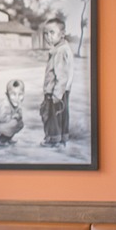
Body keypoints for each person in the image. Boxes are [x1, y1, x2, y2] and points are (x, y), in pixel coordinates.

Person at [40, 18, 74, 147]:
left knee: (52, 116)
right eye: (46, 33)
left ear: (62, 34)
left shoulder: (60, 51)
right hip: (62, 90)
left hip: (55, 91)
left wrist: (56, 94)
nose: (48, 37)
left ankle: (53, 140)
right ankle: (62, 138)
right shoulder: (61, 48)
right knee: (62, 115)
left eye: (52, 33)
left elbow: (62, 75)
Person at [0, 79, 25, 146]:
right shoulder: (6, 105)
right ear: (7, 95)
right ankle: (2, 141)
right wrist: (14, 117)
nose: (17, 98)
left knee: (20, 123)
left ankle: (7, 138)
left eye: (20, 94)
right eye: (13, 94)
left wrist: (18, 116)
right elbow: (2, 118)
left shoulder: (17, 104)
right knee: (14, 123)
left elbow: (20, 115)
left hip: (1, 128)